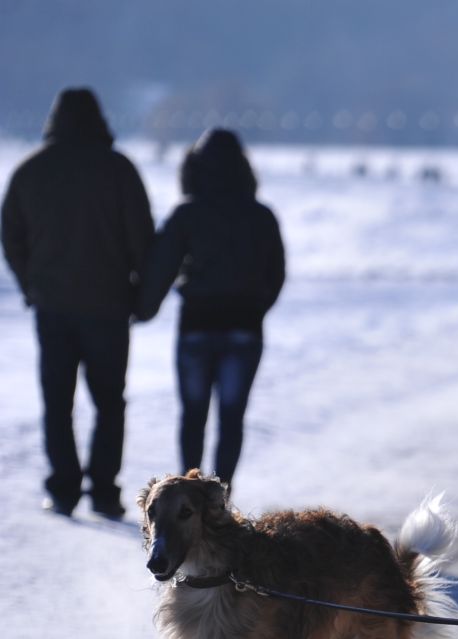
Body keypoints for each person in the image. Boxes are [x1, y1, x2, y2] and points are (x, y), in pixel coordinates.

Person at [2, 87, 152, 517]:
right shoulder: (119, 169)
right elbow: (142, 237)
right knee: (109, 402)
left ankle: (63, 490)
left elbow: (9, 233)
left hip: (53, 306)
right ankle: (105, 493)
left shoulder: (31, 170)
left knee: (57, 402)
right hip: (109, 306)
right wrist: (140, 294)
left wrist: (30, 283)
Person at [134, 129, 286, 488]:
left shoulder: (186, 214)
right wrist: (255, 309)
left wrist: (141, 308)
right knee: (232, 418)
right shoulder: (261, 215)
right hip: (244, 329)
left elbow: (161, 267)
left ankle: (189, 493)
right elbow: (276, 273)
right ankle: (220, 498)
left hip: (196, 326)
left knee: (192, 416)